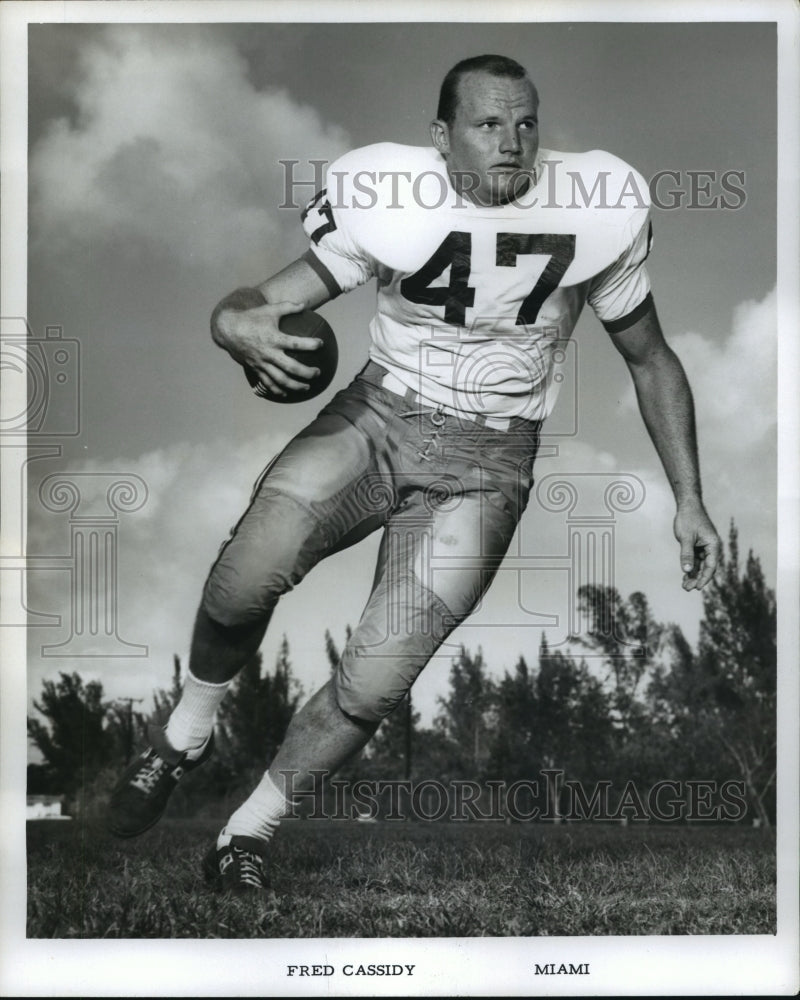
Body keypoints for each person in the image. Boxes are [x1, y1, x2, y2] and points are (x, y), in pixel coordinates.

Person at [107, 54, 721, 892]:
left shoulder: (597, 205)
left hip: (489, 463)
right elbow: (262, 302)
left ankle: (246, 833)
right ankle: (184, 734)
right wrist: (233, 325)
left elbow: (652, 362)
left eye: (527, 123)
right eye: (488, 125)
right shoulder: (392, 194)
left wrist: (690, 500)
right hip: (378, 417)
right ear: (441, 137)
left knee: (376, 678)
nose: (513, 144)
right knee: (245, 576)